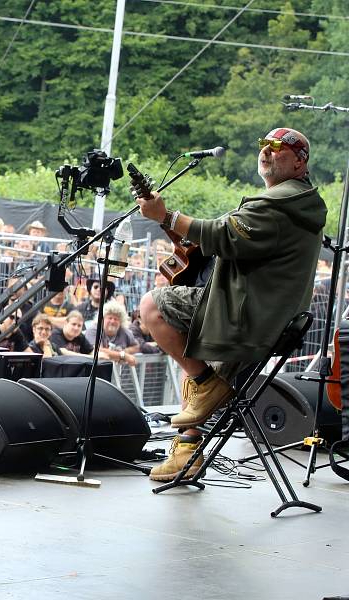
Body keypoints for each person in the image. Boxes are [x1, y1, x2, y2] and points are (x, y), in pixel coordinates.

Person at [135, 127, 327, 481]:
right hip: (272, 321)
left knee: (152, 306)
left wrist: (166, 216)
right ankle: (188, 449)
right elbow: (228, 241)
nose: (266, 152)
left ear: (300, 162)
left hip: (247, 319)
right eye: (264, 146)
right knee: (193, 346)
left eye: (278, 148)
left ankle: (205, 387)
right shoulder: (299, 202)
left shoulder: (278, 204)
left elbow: (223, 235)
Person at [83, 300, 139, 367]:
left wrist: (125, 351)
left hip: (118, 372)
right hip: (95, 369)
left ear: (121, 321)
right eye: (110, 318)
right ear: (102, 319)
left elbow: (136, 346)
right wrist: (122, 355)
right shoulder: (93, 330)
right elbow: (96, 350)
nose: (112, 321)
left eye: (116, 319)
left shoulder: (124, 332)